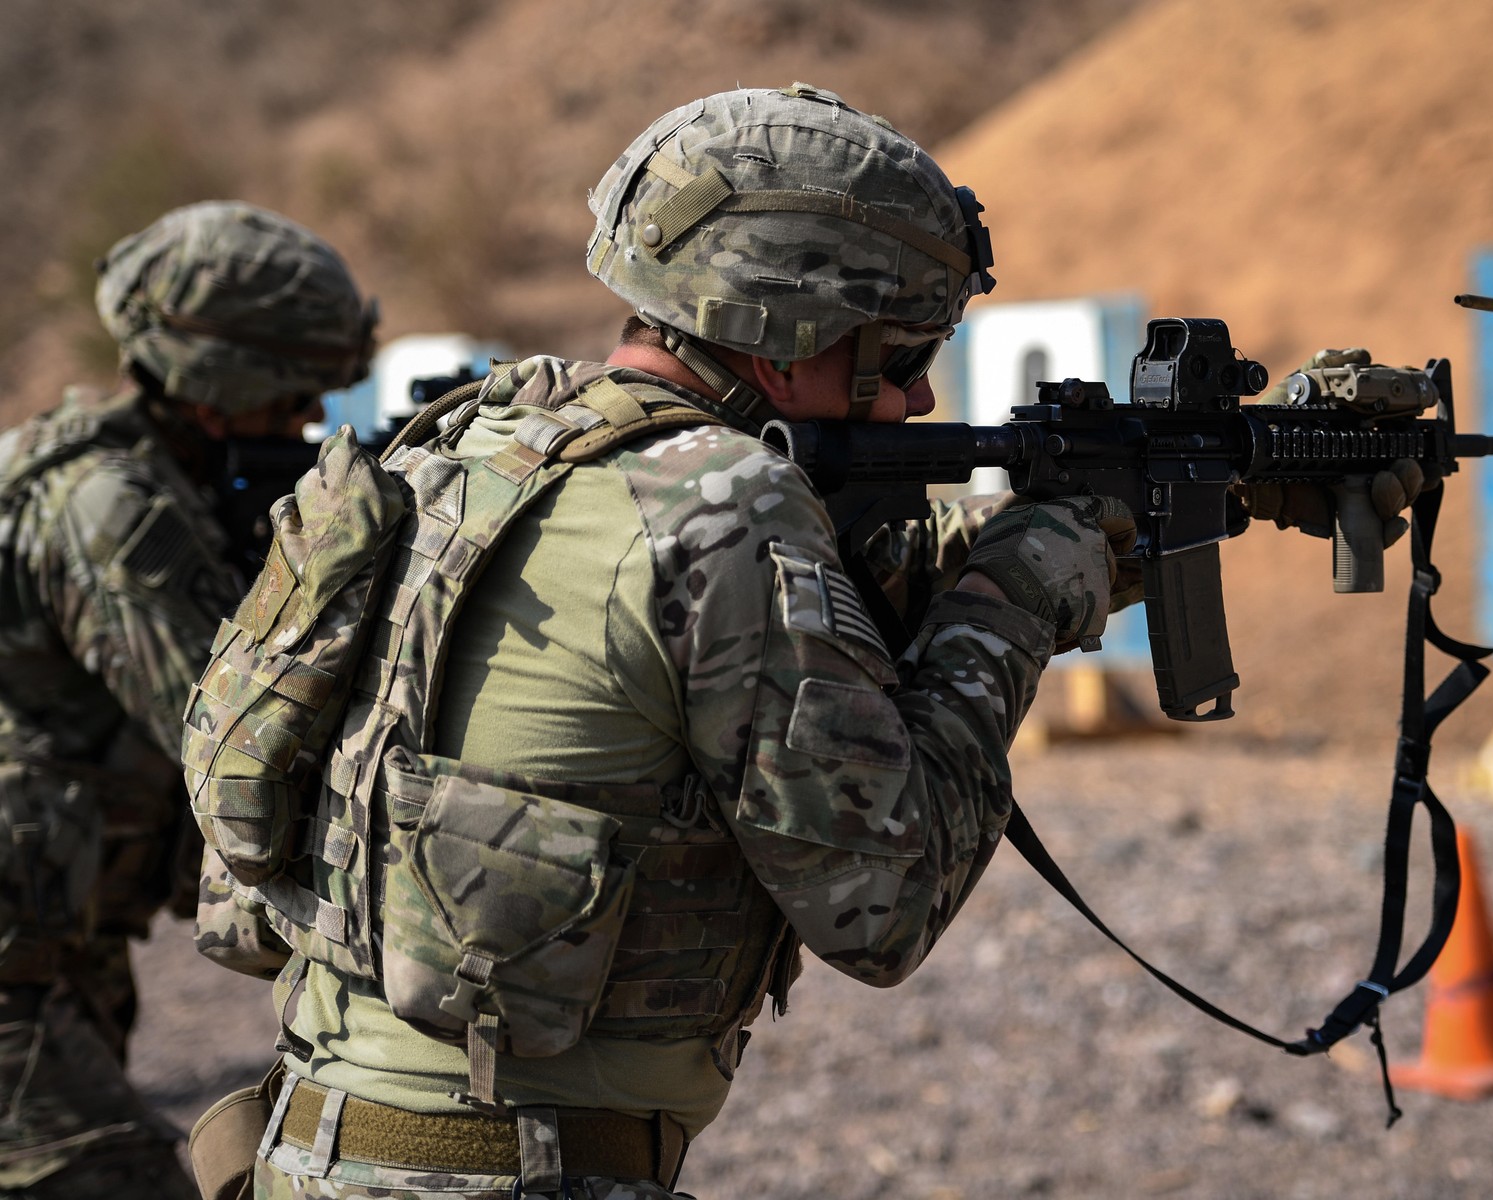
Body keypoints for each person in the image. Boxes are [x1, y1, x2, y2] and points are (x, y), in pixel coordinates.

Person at [197, 85, 1419, 1200]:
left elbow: (811, 610)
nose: (922, 400)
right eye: (905, 357)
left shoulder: (475, 448)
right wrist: (1017, 600)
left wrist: (1180, 507)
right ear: (785, 335)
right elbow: (885, 901)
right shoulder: (723, 508)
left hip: (319, 1151)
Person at [0, 200, 374, 1198]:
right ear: (220, 390)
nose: (308, 419)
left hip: (52, 947)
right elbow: (232, 740)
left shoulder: (121, 468)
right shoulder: (113, 510)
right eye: (292, 395)